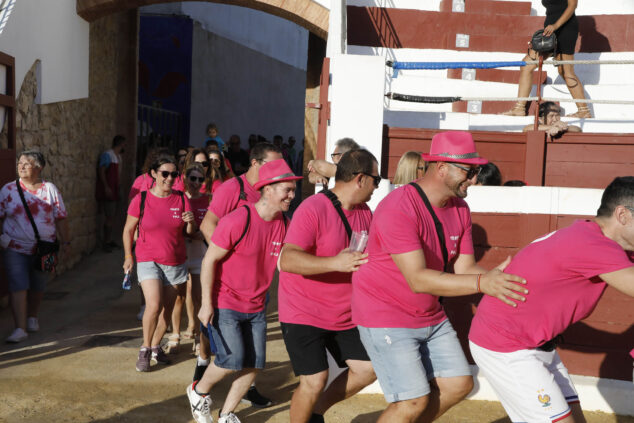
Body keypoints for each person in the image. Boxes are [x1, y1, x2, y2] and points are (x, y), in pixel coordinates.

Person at [351, 131, 528, 423]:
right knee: (412, 401)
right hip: (385, 313)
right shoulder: (399, 206)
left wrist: (505, 281)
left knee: (459, 383)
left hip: (428, 312)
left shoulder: (460, 208)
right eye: (469, 171)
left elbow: (465, 268)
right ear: (442, 168)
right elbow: (418, 279)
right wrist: (486, 283)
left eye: (477, 171)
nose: (474, 179)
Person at [469, 176, 634, 423]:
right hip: (507, 346)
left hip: (531, 343)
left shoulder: (590, 233)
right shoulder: (595, 245)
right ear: (623, 215)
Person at [186, 159, 302, 423]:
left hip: (257, 305)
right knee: (232, 359)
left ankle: (227, 414)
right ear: (269, 189)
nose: (292, 196)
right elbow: (209, 260)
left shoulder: (285, 223)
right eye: (288, 190)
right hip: (226, 301)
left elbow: (292, 259)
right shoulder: (239, 219)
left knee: (254, 363)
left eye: (293, 190)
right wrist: (206, 303)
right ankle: (198, 390)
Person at [279, 149, 380, 423]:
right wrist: (335, 263)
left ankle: (315, 413)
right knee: (314, 380)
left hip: (344, 314)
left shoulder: (364, 211)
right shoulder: (314, 207)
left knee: (367, 369)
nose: (377, 187)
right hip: (303, 310)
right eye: (376, 180)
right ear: (361, 179)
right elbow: (287, 259)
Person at [194, 142, 282, 407]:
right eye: (272, 164)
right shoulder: (233, 188)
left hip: (256, 283)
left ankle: (245, 390)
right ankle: (201, 370)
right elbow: (207, 224)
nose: (278, 170)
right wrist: (228, 255)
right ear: (255, 163)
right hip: (226, 282)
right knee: (221, 340)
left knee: (251, 349)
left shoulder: (272, 192)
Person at [122, 155, 196, 372]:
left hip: (175, 261)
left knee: (167, 311)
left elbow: (189, 233)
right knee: (153, 305)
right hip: (148, 259)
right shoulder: (141, 199)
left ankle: (156, 347)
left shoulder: (182, 199)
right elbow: (128, 230)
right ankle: (145, 349)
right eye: (165, 173)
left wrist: (190, 222)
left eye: (174, 174)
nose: (170, 178)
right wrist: (128, 256)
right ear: (154, 174)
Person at [0, 151, 70, 343]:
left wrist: (66, 242)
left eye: (26, 164)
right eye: (19, 163)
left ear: (39, 168)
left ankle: (32, 317)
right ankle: (19, 328)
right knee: (18, 285)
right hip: (15, 248)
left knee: (38, 285)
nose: (21, 167)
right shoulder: (8, 190)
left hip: (45, 248)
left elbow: (61, 218)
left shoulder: (49, 190)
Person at [503, 0, 591, 118]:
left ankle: (584, 110)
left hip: (565, 30)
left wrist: (555, 26)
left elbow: (572, 6)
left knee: (565, 71)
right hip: (550, 31)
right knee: (527, 64)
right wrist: (552, 27)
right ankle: (519, 108)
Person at [166, 163, 211, 354]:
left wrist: (206, 233)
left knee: (199, 297)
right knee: (179, 297)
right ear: (185, 179)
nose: (196, 183)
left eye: (200, 179)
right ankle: (175, 334)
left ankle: (200, 337)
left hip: (201, 253)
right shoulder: (177, 198)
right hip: (181, 252)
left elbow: (217, 224)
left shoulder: (209, 200)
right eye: (193, 178)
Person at [96, 135, 126, 252]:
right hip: (110, 189)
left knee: (113, 216)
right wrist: (106, 186)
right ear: (120, 143)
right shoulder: (108, 155)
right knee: (109, 215)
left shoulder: (118, 157)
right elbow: (102, 171)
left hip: (116, 188)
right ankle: (106, 241)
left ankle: (109, 239)